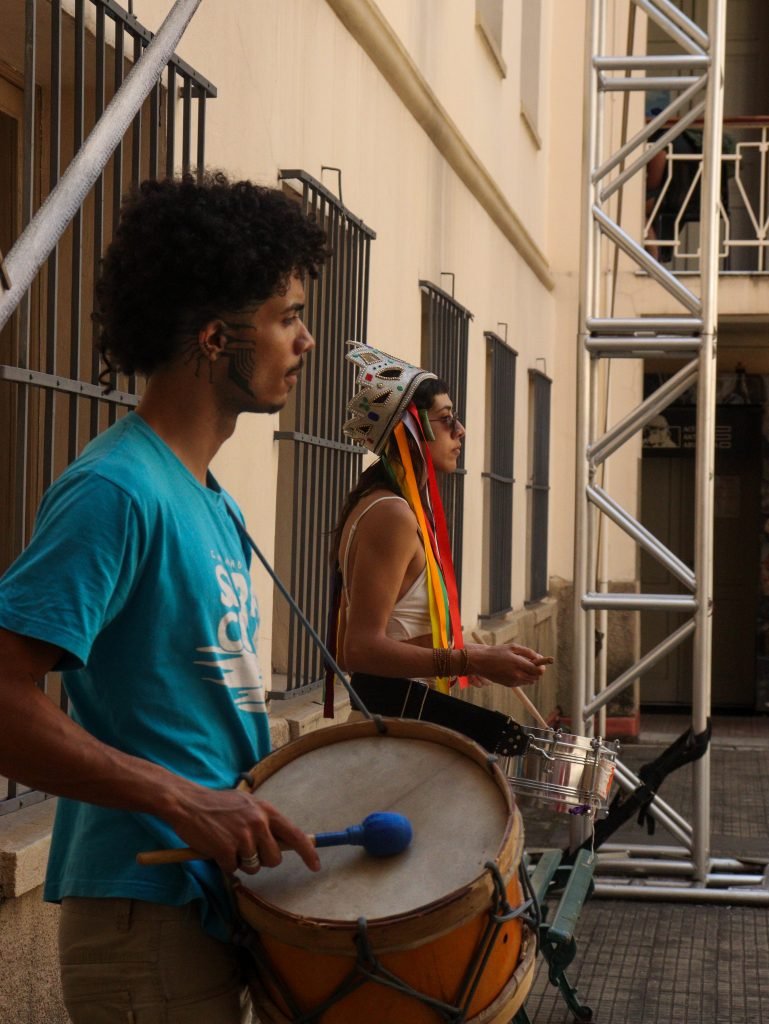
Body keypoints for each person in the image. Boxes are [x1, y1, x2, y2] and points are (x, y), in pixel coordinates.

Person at [0, 173, 330, 1023]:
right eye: (287, 317)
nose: (306, 341)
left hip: (206, 906)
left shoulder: (210, 498)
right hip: (141, 915)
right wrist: (180, 799)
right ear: (217, 338)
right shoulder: (115, 489)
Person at [324, 342, 551, 751]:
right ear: (410, 431)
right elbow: (358, 650)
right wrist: (472, 660)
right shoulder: (391, 514)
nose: (460, 430)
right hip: (391, 737)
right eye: (446, 420)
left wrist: (459, 647)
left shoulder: (385, 505)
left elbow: (383, 637)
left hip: (402, 727)